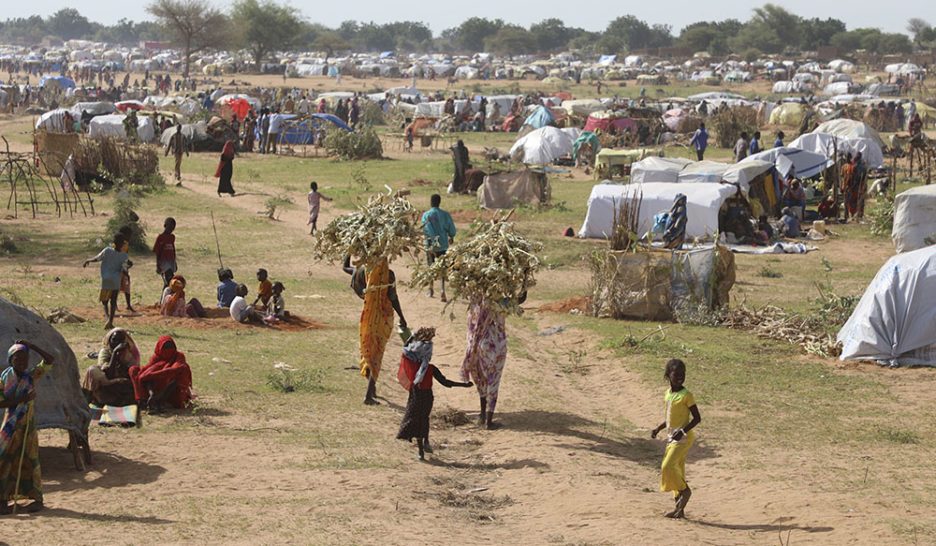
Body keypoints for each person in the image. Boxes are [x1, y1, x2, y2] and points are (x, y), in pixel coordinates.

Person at [396, 327, 472, 460]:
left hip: (415, 397)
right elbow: (446, 383)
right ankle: (426, 442)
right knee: (424, 419)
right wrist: (464, 385)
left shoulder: (411, 365)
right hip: (427, 398)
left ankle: (421, 451)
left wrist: (413, 336)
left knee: (415, 420)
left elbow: (406, 348)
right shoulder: (431, 368)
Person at [0, 340, 56, 514]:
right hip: (10, 426)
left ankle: (36, 499)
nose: (22, 363)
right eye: (17, 359)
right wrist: (22, 400)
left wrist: (31, 346)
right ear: (10, 360)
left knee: (30, 461)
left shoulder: (30, 376)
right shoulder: (3, 379)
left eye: (25, 359)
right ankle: (3, 500)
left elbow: (49, 360)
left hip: (27, 428)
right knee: (4, 461)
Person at [343, 256, 407, 405]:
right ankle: (368, 396)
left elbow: (345, 268)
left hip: (368, 318)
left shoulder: (362, 272)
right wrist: (402, 317)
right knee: (377, 354)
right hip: (382, 319)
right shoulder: (388, 275)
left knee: (369, 352)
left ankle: (372, 390)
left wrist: (349, 251)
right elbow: (393, 297)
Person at [461, 290, 525, 430]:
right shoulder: (501, 301)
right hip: (494, 345)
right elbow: (520, 299)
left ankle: (482, 415)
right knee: (493, 380)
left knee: (481, 379)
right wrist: (525, 279)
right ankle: (489, 421)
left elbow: (464, 290)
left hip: (475, 345)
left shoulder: (474, 298)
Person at [650, 358, 701, 519]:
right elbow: (670, 418)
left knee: (667, 466)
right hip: (672, 437)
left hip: (683, 438)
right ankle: (679, 509)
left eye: (682, 374)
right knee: (677, 470)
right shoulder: (668, 394)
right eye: (676, 374)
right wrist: (658, 428)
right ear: (668, 375)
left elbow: (697, 418)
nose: (680, 377)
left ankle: (685, 491)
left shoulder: (687, 395)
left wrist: (682, 432)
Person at [128, 335, 193, 411]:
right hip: (154, 388)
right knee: (134, 370)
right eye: (165, 347)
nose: (168, 350)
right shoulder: (156, 358)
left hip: (172, 393)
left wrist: (153, 375)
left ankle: (161, 401)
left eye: (170, 347)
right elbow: (147, 377)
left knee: (183, 370)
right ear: (159, 347)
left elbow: (175, 369)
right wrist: (151, 393)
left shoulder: (178, 356)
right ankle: (143, 399)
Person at [82, 328, 138, 407]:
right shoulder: (104, 352)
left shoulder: (128, 354)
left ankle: (121, 399)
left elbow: (130, 373)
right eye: (114, 340)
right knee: (92, 370)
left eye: (120, 341)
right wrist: (115, 353)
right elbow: (108, 374)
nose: (117, 343)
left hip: (121, 385)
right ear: (109, 340)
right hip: (107, 384)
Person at [83, 232, 129, 329]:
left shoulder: (107, 250)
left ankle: (107, 318)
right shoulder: (124, 256)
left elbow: (98, 258)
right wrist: (127, 276)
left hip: (106, 278)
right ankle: (111, 321)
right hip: (116, 279)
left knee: (104, 301)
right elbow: (124, 269)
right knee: (113, 301)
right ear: (122, 244)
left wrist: (88, 260)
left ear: (114, 242)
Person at [421, 194, 456, 301]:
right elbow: (451, 228)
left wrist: (430, 241)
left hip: (430, 246)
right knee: (442, 268)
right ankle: (442, 290)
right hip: (443, 245)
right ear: (439, 202)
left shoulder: (426, 215)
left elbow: (425, 229)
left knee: (430, 267)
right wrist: (451, 236)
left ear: (431, 202)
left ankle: (431, 289)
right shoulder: (445, 215)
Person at [152, 217, 177, 289]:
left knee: (168, 284)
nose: (171, 230)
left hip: (171, 262)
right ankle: (166, 299)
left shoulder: (172, 237)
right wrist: (157, 265)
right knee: (170, 282)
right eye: (170, 228)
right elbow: (157, 251)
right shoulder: (160, 237)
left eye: (173, 229)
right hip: (164, 264)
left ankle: (164, 300)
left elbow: (173, 250)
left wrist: (175, 262)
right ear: (165, 226)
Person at [117, 226, 134, 312]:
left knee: (126, 285)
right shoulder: (116, 245)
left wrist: (128, 262)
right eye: (129, 235)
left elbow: (125, 256)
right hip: (117, 269)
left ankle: (128, 305)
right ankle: (114, 305)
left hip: (124, 267)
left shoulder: (126, 244)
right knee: (116, 287)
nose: (130, 237)